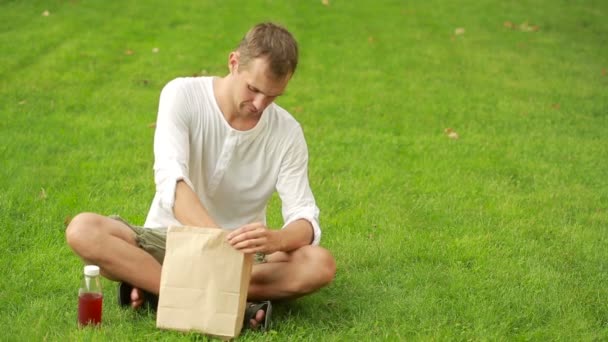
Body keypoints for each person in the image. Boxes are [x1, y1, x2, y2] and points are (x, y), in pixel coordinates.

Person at [66, 22, 336, 330]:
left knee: (320, 264)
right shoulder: (182, 94)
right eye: (254, 89)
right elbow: (171, 180)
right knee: (83, 230)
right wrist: (220, 247)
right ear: (234, 62)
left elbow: (304, 216)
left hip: (242, 256)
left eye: (273, 96)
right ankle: (223, 300)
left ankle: (159, 288)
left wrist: (276, 239)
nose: (260, 105)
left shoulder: (287, 132)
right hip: (171, 240)